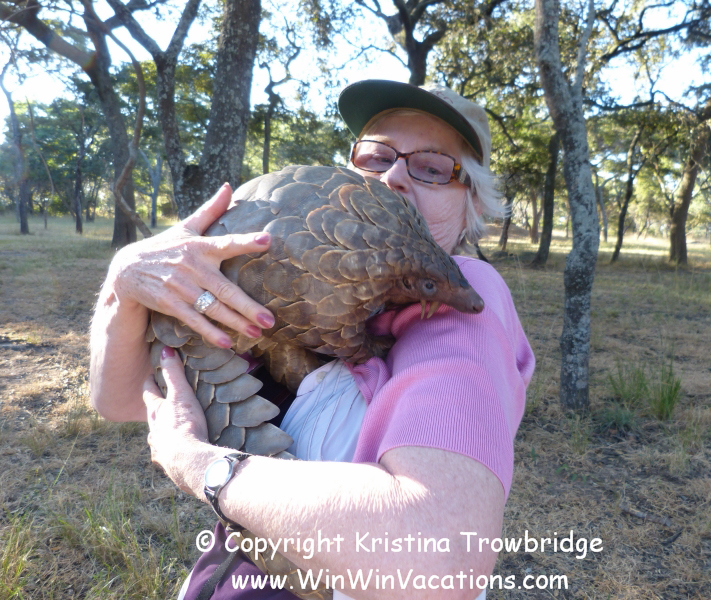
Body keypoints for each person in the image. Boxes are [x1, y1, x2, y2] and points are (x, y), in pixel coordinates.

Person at [90, 80, 535, 600]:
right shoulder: (313, 279)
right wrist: (124, 281)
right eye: (376, 157)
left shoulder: (464, 297)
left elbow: (438, 557)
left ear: (471, 206)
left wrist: (200, 465)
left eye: (433, 168)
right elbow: (122, 400)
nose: (393, 176)